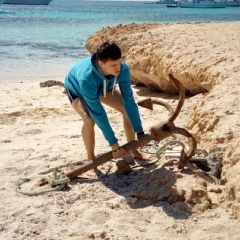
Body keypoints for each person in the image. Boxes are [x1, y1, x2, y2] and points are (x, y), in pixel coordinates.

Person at [64, 41, 147, 176]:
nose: (118, 68)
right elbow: (99, 114)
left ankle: (133, 150)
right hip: (77, 89)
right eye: (113, 65)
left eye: (119, 62)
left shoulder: (123, 69)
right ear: (101, 64)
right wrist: (114, 146)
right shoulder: (86, 79)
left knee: (126, 109)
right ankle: (91, 158)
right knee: (89, 119)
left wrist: (140, 132)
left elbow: (130, 101)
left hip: (103, 87)